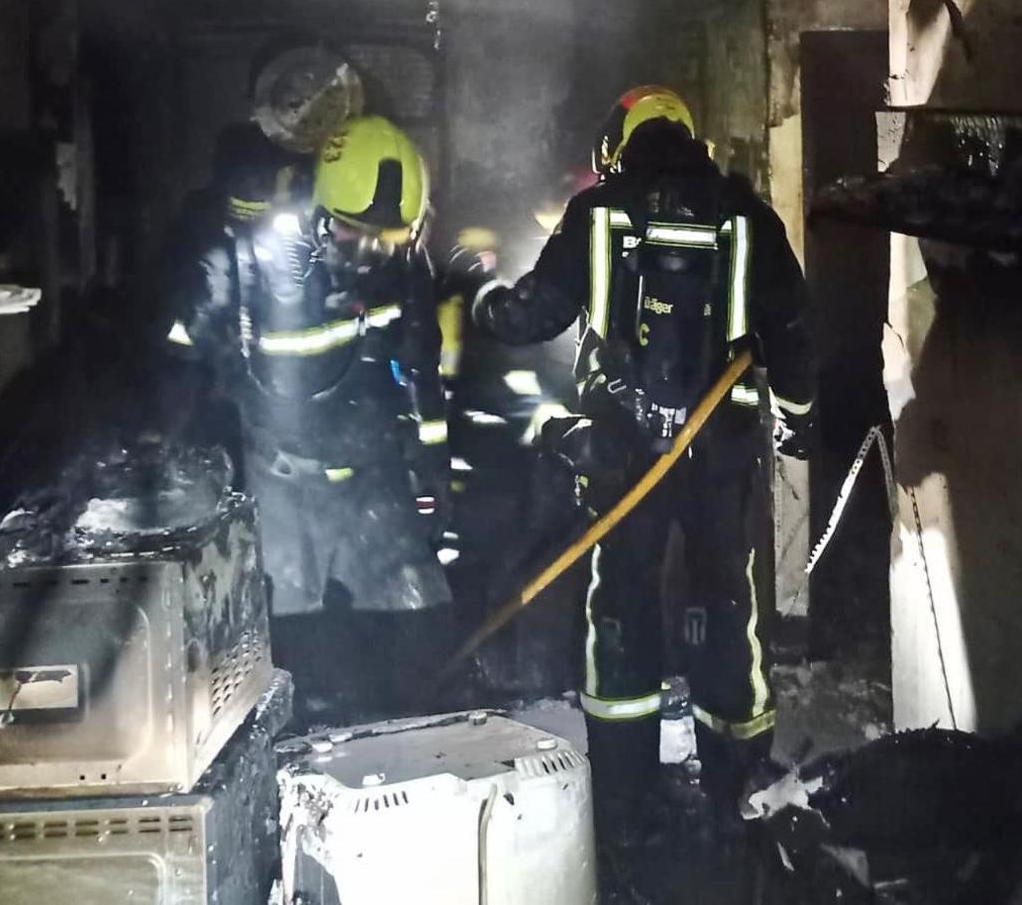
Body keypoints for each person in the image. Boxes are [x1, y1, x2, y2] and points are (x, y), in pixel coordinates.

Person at [457, 85, 814, 842]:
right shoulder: (747, 214)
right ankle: (738, 788)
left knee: (618, 604)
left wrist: (476, 287)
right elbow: (791, 327)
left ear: (616, 146)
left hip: (622, 458)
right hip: (720, 455)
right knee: (729, 605)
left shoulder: (599, 213)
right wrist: (800, 421)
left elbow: (530, 316)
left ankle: (622, 799)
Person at [166, 115, 452, 722]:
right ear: (318, 211)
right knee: (293, 656)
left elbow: (421, 377)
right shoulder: (249, 257)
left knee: (419, 639)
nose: (372, 252)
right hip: (280, 483)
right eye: (354, 233)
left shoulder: (404, 267)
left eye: (390, 238)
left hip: (373, 477)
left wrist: (432, 480)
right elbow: (184, 364)